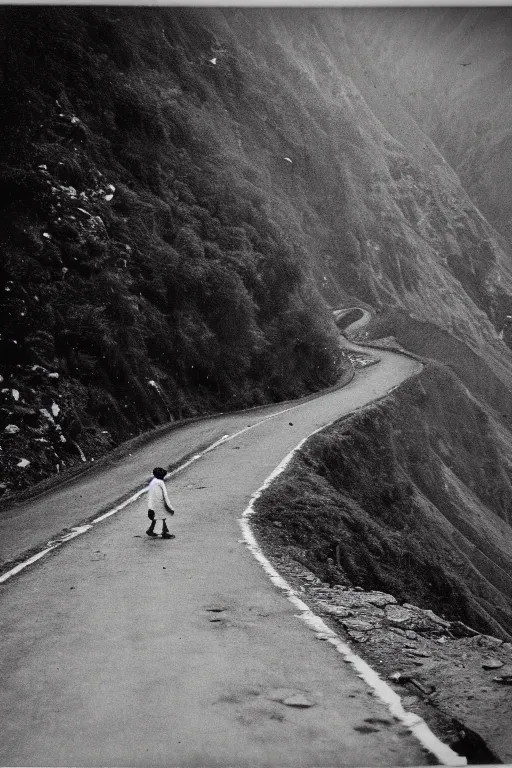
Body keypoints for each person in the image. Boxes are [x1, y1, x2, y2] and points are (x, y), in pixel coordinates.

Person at [146, 467, 175, 539]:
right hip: (159, 504)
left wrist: (150, 506)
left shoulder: (153, 482)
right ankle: (164, 533)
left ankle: (151, 530)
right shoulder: (161, 483)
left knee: (157, 517)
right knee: (162, 517)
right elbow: (165, 496)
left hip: (153, 504)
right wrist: (170, 507)